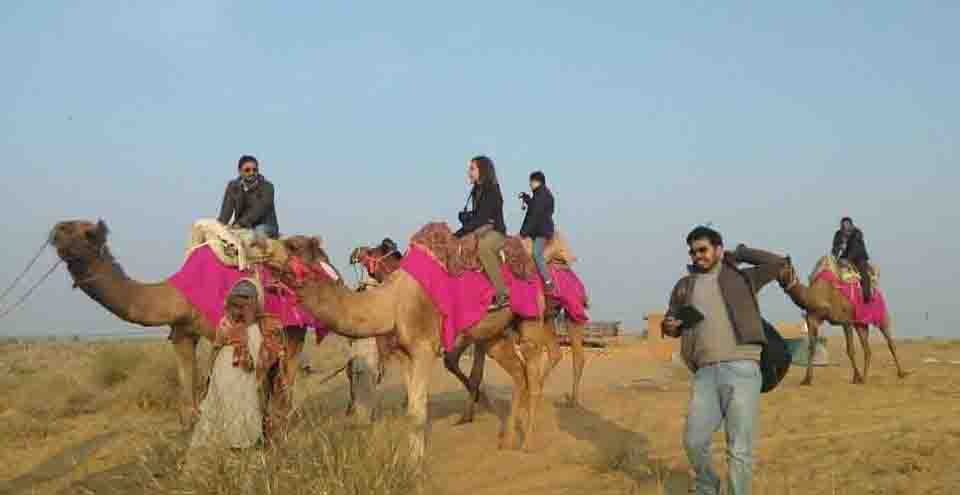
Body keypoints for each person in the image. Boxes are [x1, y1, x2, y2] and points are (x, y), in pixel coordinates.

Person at [661, 226, 788, 495]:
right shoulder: (684, 286)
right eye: (693, 252)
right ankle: (708, 486)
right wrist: (670, 325)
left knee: (739, 447)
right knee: (694, 440)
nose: (698, 256)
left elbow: (777, 263)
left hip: (743, 367)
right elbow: (671, 322)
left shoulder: (743, 278)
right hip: (705, 373)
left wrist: (740, 253)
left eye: (703, 250)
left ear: (718, 249)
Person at [455, 155, 509, 311]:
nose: (468, 172)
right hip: (481, 228)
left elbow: (483, 218)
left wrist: (458, 233)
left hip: (496, 232)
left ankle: (502, 293)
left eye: (472, 169)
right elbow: (478, 216)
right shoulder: (476, 190)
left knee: (484, 247)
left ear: (482, 170)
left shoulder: (491, 189)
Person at [218, 155, 280, 239]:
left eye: (255, 170)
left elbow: (259, 210)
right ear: (240, 171)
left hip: (265, 226)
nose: (251, 173)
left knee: (257, 233)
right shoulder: (233, 186)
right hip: (241, 226)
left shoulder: (267, 187)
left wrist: (240, 224)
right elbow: (226, 211)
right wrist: (219, 227)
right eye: (247, 170)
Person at [519, 170, 556, 292]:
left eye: (531, 182)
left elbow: (535, 216)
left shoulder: (541, 196)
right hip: (540, 229)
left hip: (541, 231)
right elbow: (535, 207)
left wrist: (523, 233)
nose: (530, 184)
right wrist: (527, 199)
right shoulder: (541, 194)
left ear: (536, 181)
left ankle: (548, 281)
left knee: (536, 253)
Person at [831, 217, 872, 302]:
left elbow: (855, 248)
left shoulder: (857, 233)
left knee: (863, 272)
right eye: (843, 226)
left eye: (847, 226)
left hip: (858, 257)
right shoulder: (838, 234)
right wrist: (838, 249)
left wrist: (848, 260)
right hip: (844, 257)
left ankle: (867, 296)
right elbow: (834, 248)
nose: (846, 229)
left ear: (851, 226)